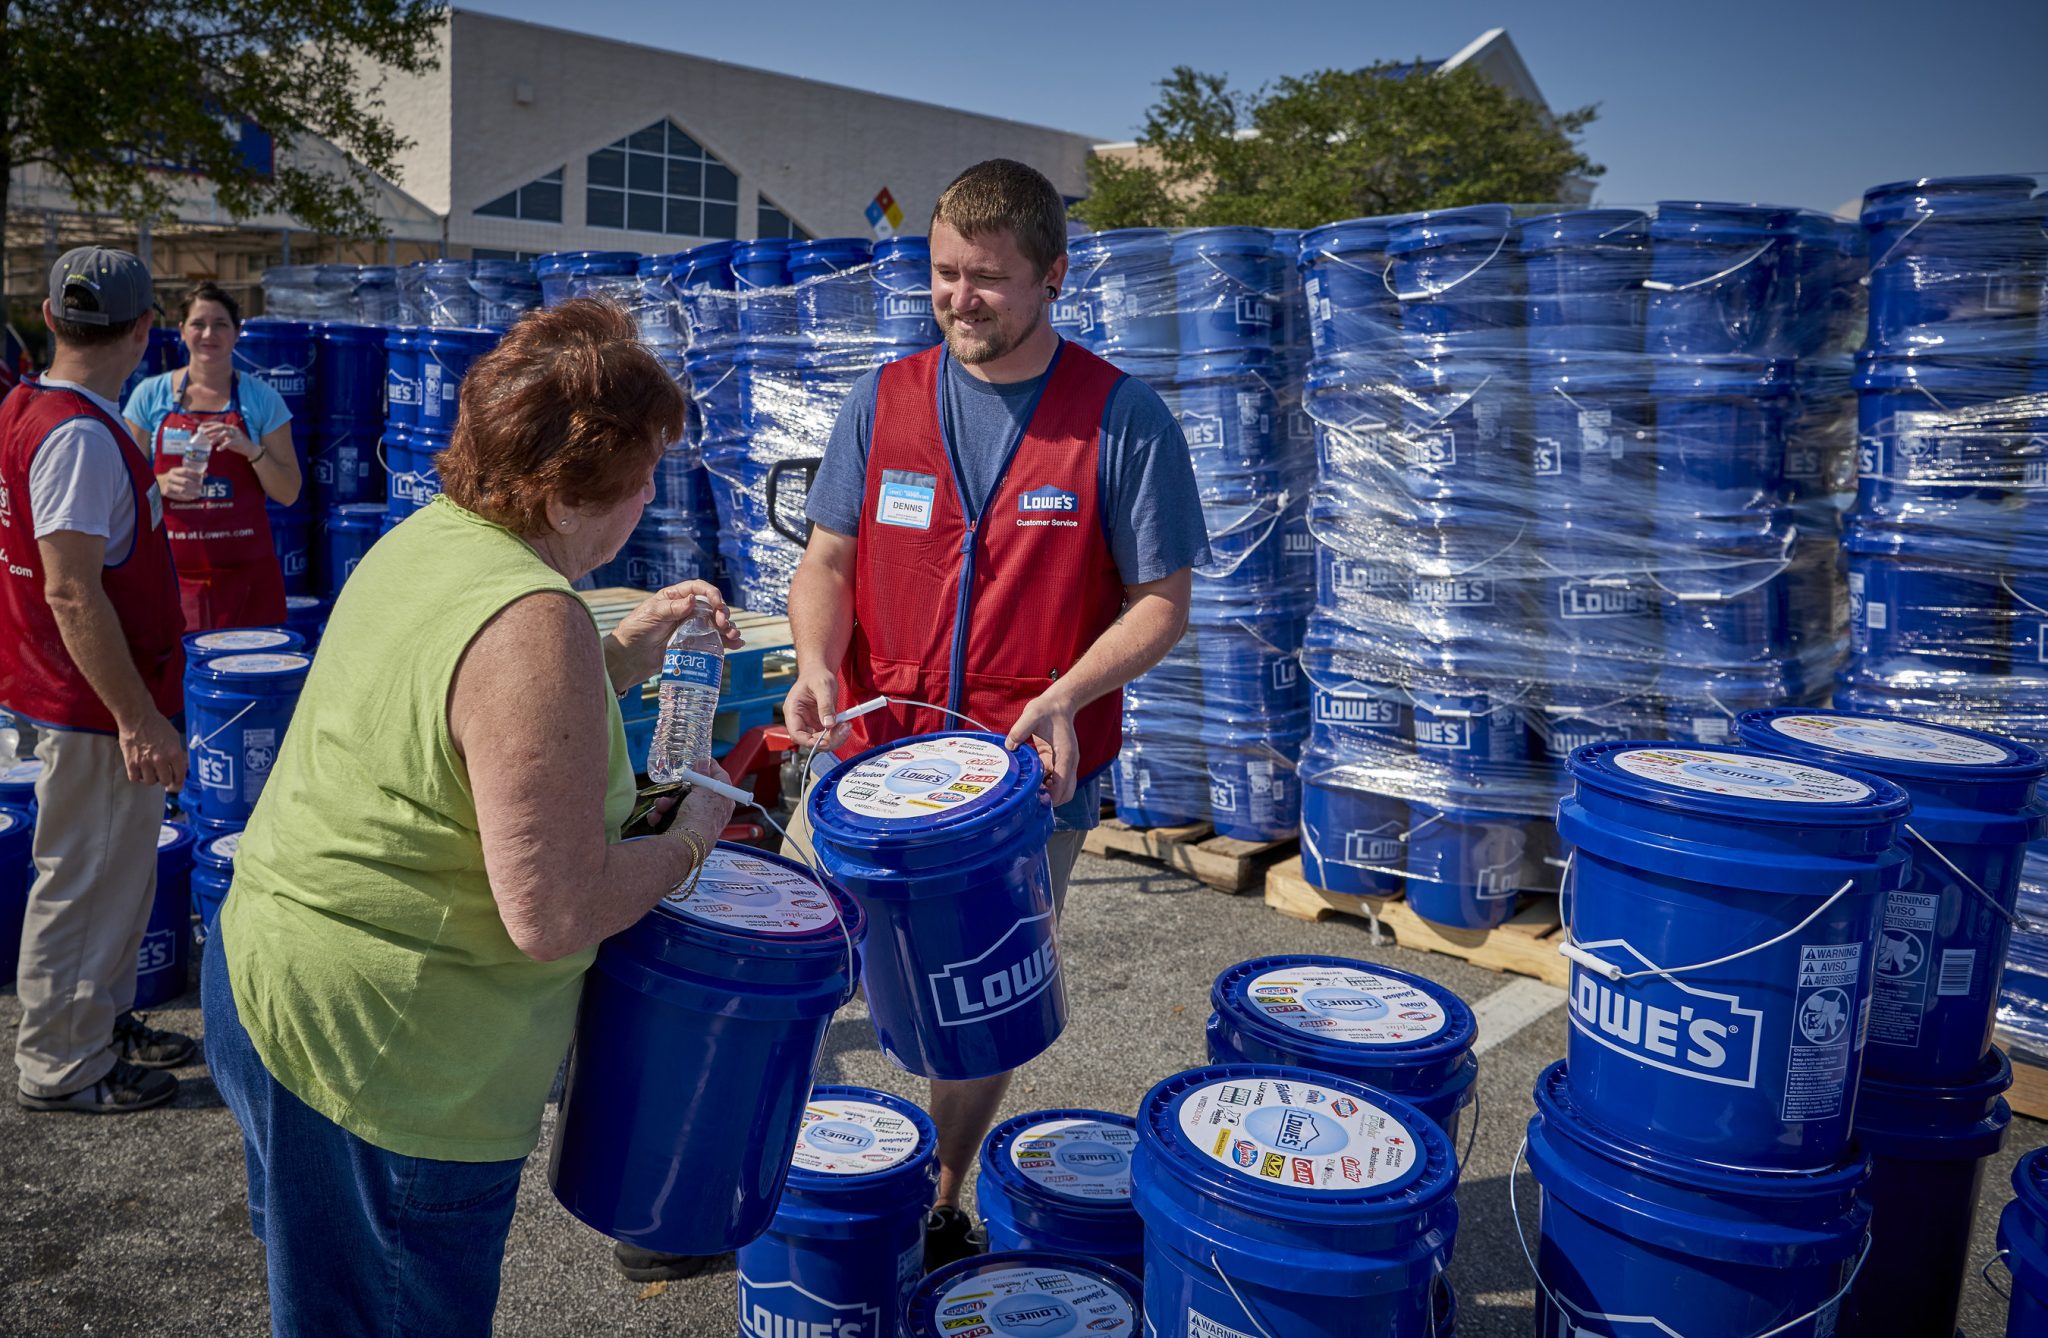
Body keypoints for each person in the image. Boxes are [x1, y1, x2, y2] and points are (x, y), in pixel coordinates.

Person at [202, 298, 742, 1335]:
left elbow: (472, 720)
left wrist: (622, 650)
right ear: (573, 495)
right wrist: (690, 836)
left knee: (324, 1302)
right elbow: (554, 911)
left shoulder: (435, 537)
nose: (650, 499)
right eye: (642, 480)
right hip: (386, 1055)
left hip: (272, 978)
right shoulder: (533, 622)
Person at [781, 159, 1209, 1267]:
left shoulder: (1119, 418)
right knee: (786, 970)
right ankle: (762, 1182)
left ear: (1052, 276)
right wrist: (815, 662)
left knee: (973, 1006)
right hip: (865, 763)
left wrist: (1068, 694)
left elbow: (1161, 603)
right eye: (941, 274)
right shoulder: (883, 400)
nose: (957, 299)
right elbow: (826, 561)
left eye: (985, 278)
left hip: (1018, 785)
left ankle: (939, 1192)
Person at [0, 247, 194, 1113]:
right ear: (147, 329)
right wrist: (136, 716)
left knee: (115, 874)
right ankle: (62, 1064)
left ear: (50, 318)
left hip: (82, 691)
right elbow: (71, 589)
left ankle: (101, 1021)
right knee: (83, 881)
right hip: (93, 702)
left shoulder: (33, 406)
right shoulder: (78, 435)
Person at [122, 281, 302, 632]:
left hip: (247, 583)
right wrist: (160, 482)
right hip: (170, 577)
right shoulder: (149, 395)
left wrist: (251, 451)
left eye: (220, 324)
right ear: (181, 331)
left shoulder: (263, 399)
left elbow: (289, 492)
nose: (209, 334)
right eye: (198, 324)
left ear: (237, 332)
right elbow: (120, 488)